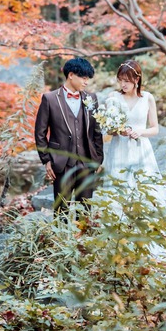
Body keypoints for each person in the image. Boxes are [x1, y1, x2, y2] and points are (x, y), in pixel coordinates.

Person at [101, 60, 166, 258]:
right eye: (120, 80)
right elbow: (108, 129)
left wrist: (139, 131)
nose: (123, 85)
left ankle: (147, 234)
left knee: (143, 188)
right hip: (120, 149)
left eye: (127, 80)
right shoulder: (113, 98)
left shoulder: (148, 98)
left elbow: (155, 128)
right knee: (119, 190)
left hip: (141, 148)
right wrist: (118, 129)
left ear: (137, 79)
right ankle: (119, 239)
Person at [33, 57, 104, 216]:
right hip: (62, 163)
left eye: (88, 79)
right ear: (71, 75)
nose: (86, 82)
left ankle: (82, 241)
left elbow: (96, 131)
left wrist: (98, 158)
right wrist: (46, 160)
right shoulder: (50, 99)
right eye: (83, 78)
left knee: (85, 211)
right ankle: (61, 239)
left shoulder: (91, 99)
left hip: (87, 162)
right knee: (61, 211)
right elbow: (40, 133)